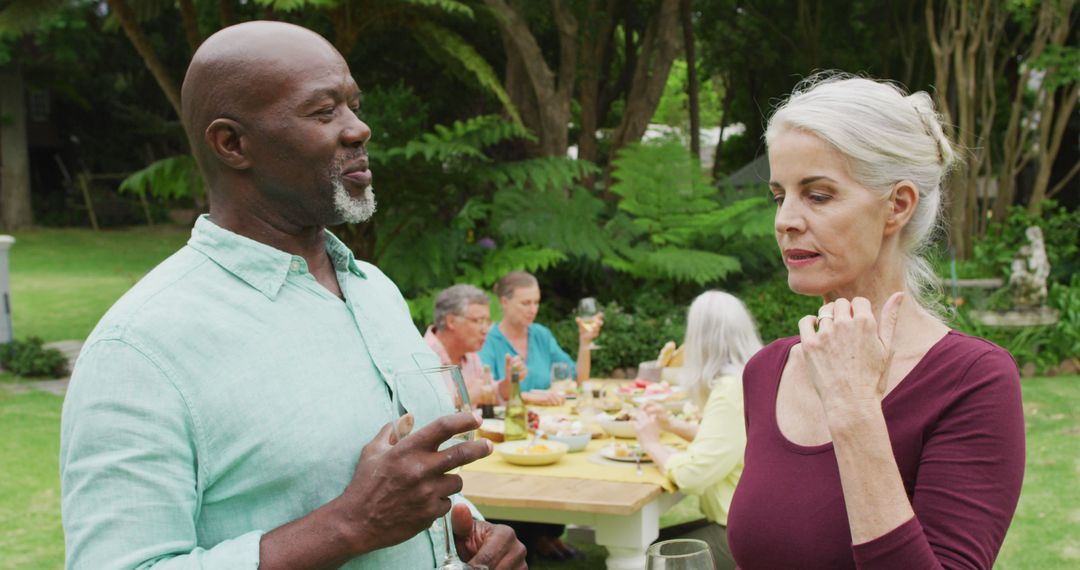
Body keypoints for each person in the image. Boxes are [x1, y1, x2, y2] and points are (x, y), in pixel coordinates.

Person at [58, 21, 525, 570]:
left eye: (354, 105)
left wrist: (465, 526)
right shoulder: (140, 348)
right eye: (324, 112)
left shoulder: (375, 291)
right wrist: (345, 526)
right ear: (232, 144)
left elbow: (404, 488)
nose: (359, 129)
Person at [726, 73, 1025, 569]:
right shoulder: (766, 371)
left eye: (817, 195)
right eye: (780, 196)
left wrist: (855, 410)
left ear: (897, 205)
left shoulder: (973, 381)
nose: (785, 220)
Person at [632, 290, 762, 569]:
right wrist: (672, 424)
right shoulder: (750, 377)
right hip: (759, 525)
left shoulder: (729, 392)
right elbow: (733, 441)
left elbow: (692, 476)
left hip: (744, 535)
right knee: (649, 546)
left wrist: (652, 443)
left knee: (644, 558)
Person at [479, 271, 602, 406]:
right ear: (504, 302)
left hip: (550, 420)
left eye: (536, 302)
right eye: (526, 303)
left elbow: (579, 379)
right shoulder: (486, 341)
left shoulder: (541, 335)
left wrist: (585, 342)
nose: (533, 310)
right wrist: (528, 397)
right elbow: (484, 394)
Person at [425, 284, 500, 406]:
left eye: (487, 322)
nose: (485, 330)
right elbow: (424, 414)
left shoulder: (470, 354)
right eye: (479, 321)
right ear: (451, 321)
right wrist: (465, 398)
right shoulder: (424, 356)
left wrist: (508, 383)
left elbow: (488, 392)